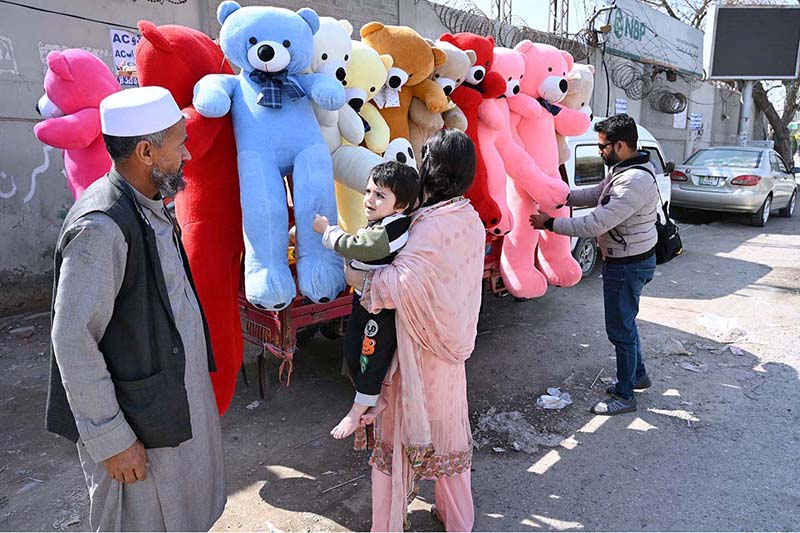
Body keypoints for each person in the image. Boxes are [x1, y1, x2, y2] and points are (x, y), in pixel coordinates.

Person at [45, 86, 226, 531]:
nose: (186, 154)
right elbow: (72, 338)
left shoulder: (149, 204)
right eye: (179, 142)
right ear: (146, 151)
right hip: (135, 427)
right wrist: (111, 439)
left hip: (167, 406)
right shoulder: (101, 227)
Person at [345, 129, 485, 532]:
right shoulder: (469, 218)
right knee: (450, 443)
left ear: (433, 169)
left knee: (396, 446)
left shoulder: (428, 226)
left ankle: (386, 526)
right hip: (451, 351)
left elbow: (398, 286)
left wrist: (356, 275)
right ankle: (458, 520)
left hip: (416, 357)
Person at [530, 113, 659, 416]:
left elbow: (594, 224)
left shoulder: (634, 180)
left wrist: (550, 223)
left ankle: (625, 395)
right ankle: (637, 376)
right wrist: (561, 197)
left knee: (620, 330)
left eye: (603, 146)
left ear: (622, 145)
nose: (600, 152)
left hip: (627, 264)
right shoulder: (624, 169)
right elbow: (597, 194)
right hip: (629, 259)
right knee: (627, 323)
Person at [313, 162, 420, 440]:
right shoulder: (383, 222)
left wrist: (328, 232)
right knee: (352, 351)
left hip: (380, 309)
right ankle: (374, 400)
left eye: (380, 195)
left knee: (371, 356)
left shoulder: (394, 229)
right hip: (363, 301)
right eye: (368, 191)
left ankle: (356, 410)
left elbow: (361, 247)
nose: (369, 200)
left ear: (402, 205)